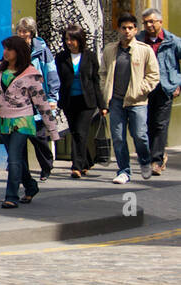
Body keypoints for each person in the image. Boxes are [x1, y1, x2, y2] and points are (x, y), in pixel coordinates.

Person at [0, 35, 66, 208]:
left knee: (14, 160)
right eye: (5, 49)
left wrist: (53, 130)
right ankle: (31, 186)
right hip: (4, 120)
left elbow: (42, 103)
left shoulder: (30, 73)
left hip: (23, 120)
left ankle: (11, 196)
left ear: (19, 52)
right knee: (15, 159)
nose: (6, 52)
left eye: (9, 49)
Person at [100, 13, 160, 185]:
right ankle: (124, 170)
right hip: (116, 101)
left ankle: (144, 161)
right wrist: (106, 93)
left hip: (137, 101)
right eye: (124, 28)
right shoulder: (111, 49)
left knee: (140, 136)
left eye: (130, 28)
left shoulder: (144, 50)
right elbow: (103, 73)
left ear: (135, 30)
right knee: (118, 137)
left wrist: (141, 90)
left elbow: (153, 75)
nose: (127, 31)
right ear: (119, 29)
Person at [54, 25, 106, 178]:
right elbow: (58, 79)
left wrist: (102, 105)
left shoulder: (89, 56)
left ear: (80, 40)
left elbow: (96, 81)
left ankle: (76, 166)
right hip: (69, 100)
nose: (69, 42)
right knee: (75, 131)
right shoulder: (61, 57)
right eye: (67, 39)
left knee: (81, 132)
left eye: (72, 39)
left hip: (87, 101)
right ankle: (87, 162)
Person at [15, 17, 60, 180]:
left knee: (39, 137)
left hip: (38, 98)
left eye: (25, 32)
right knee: (20, 140)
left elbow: (51, 72)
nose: (22, 34)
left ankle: (46, 165)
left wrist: (53, 98)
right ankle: (23, 174)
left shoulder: (42, 50)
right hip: (20, 101)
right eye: (20, 31)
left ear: (31, 33)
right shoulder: (13, 50)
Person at [139, 8, 180, 175]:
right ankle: (155, 155)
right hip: (145, 88)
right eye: (146, 22)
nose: (149, 25)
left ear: (160, 22)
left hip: (165, 87)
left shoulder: (173, 41)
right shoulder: (139, 40)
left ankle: (156, 161)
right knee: (146, 124)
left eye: (152, 21)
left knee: (160, 124)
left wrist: (178, 84)